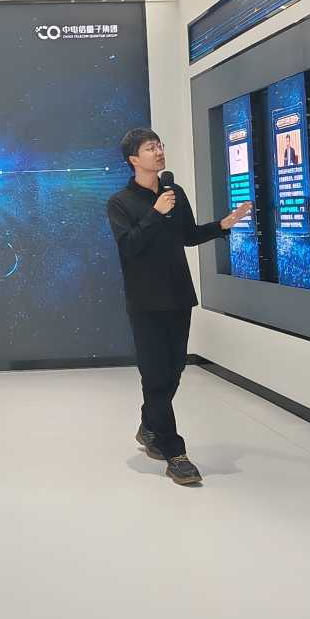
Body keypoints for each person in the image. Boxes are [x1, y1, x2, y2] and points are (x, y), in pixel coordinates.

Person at [104, 128, 251, 487]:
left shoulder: (175, 193)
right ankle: (175, 453)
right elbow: (130, 246)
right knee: (155, 375)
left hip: (178, 297)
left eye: (160, 146)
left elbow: (187, 236)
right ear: (133, 159)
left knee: (173, 372)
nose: (159, 152)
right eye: (150, 148)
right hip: (146, 303)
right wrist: (155, 213)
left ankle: (149, 424)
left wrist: (222, 226)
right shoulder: (120, 203)